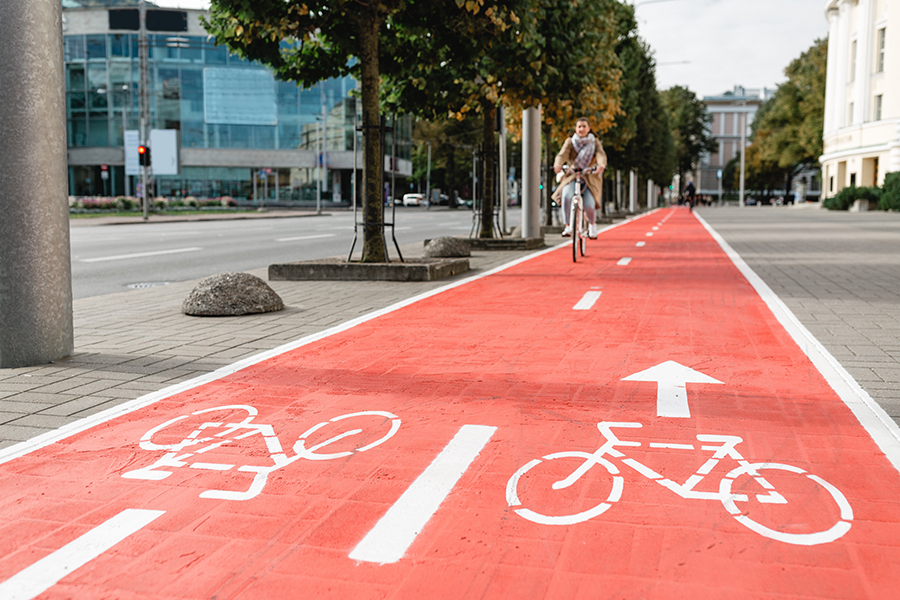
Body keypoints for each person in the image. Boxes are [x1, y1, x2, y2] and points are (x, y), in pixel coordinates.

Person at [553, 117, 607, 238]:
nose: (581, 129)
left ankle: (592, 224)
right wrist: (558, 164)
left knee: (589, 204)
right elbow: (562, 154)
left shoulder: (594, 142)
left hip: (589, 176)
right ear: (576, 129)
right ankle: (568, 225)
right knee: (566, 196)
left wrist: (601, 165)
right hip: (572, 174)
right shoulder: (570, 141)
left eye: (584, 126)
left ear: (589, 128)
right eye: (579, 126)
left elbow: (600, 154)